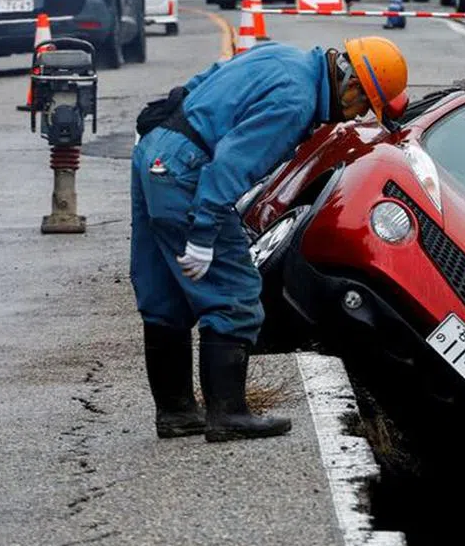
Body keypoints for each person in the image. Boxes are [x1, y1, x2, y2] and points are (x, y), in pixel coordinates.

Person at [130, 37, 409, 442]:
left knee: (163, 290)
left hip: (157, 149)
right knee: (236, 291)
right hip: (184, 172)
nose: (357, 114)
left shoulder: (285, 55)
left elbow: (213, 76)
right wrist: (204, 231)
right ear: (350, 84)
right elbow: (230, 165)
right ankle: (227, 415)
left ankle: (176, 412)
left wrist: (171, 110)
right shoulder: (295, 103)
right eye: (363, 104)